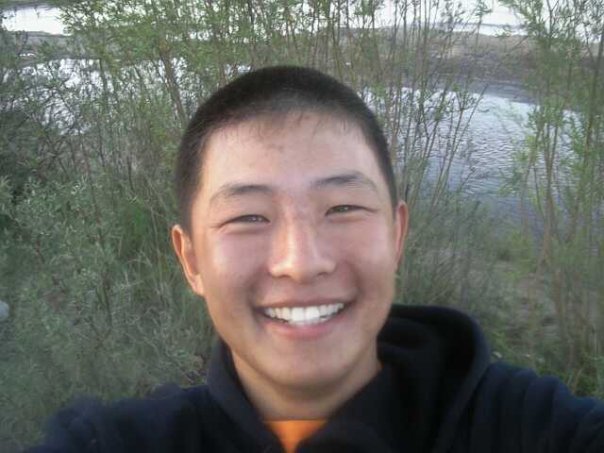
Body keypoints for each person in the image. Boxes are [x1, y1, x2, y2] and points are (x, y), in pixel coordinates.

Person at [29, 66, 604, 453]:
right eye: (248, 217)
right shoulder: (116, 441)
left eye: (343, 208)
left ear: (397, 235)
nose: (301, 264)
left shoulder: (530, 427)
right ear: (192, 260)